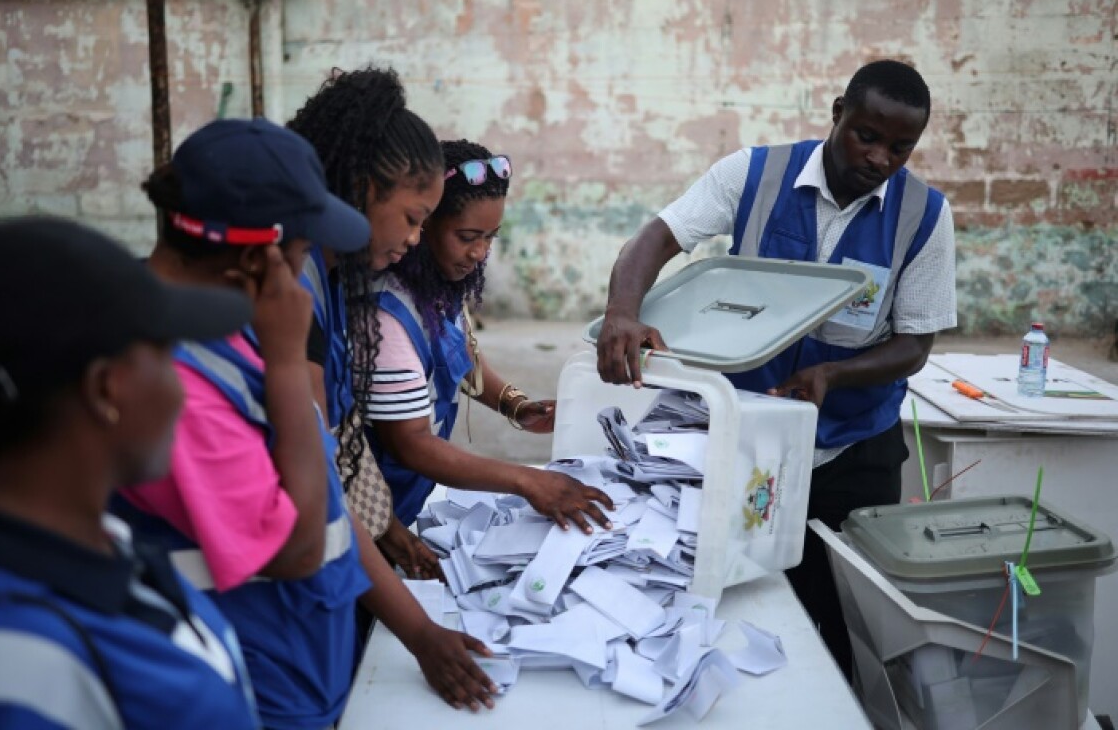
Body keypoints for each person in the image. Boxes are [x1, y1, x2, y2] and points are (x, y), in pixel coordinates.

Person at [119, 118, 495, 729]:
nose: (311, 278)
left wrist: (417, 627)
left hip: (296, 655)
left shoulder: (235, 332)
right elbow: (300, 544)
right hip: (243, 675)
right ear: (260, 256)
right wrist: (291, 365)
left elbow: (326, 493)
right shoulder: (175, 378)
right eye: (303, 257)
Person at [596, 59, 957, 675]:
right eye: (866, 135)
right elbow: (656, 238)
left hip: (853, 450)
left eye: (901, 147)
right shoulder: (755, 174)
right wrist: (622, 312)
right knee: (740, 595)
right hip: (745, 440)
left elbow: (915, 344)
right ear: (837, 111)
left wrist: (830, 377)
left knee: (849, 615)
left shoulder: (923, 215)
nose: (880, 158)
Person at [0, 217, 260, 729]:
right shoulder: (5, 668)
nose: (181, 393)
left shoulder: (92, 541)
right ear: (106, 389)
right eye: (165, 354)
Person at [366, 139, 613, 532]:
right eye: (466, 237)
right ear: (425, 223)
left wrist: (514, 405)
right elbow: (410, 444)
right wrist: (528, 480)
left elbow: (458, 351)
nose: (480, 252)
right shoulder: (387, 316)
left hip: (407, 498)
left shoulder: (436, 288)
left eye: (491, 237)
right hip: (376, 510)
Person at [286, 66, 450, 580]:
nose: (416, 239)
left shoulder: (333, 278)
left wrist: (391, 532)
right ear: (361, 188)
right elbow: (320, 471)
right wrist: (419, 630)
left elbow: (341, 428)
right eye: (412, 218)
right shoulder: (294, 288)